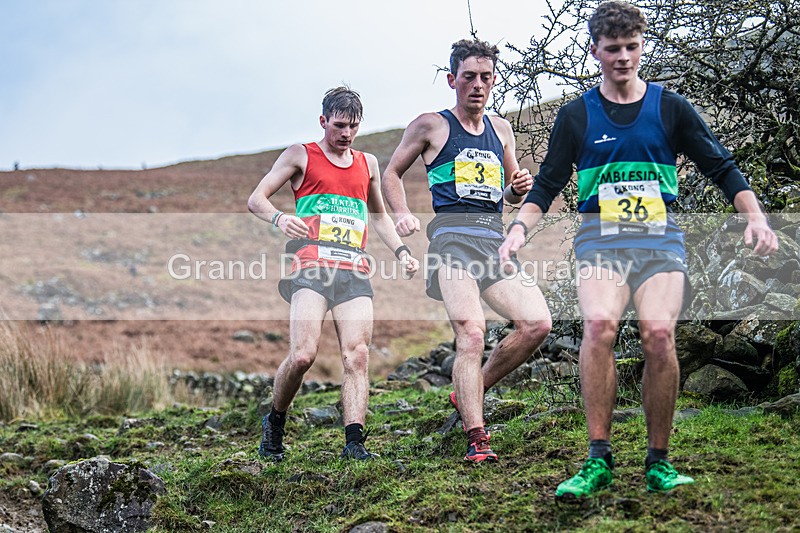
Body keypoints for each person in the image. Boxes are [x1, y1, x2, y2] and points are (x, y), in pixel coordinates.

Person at [499, 1, 778, 498]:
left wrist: (754, 214)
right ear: (595, 51)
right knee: (600, 327)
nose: (624, 57)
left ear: (641, 45)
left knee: (658, 336)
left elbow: (720, 165)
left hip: (659, 243)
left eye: (632, 46)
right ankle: (598, 458)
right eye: (613, 49)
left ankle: (659, 461)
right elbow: (546, 185)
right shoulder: (576, 116)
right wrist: (520, 229)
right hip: (599, 246)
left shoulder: (669, 108)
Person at [382, 39, 553, 463]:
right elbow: (391, 173)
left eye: (486, 77)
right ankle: (478, 439)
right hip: (452, 241)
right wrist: (402, 214)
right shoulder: (430, 125)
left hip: (492, 239)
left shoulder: (502, 130)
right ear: (452, 79)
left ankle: (469, 389)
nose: (478, 85)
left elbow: (511, 193)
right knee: (472, 333)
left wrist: (518, 188)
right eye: (469, 77)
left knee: (537, 324)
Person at [248, 86, 419, 462]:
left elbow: (379, 217)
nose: (346, 134)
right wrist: (280, 218)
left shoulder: (367, 163)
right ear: (323, 121)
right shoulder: (301, 155)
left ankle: (354, 443)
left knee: (357, 356)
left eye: (353, 127)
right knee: (303, 355)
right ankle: (275, 423)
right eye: (339, 125)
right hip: (311, 267)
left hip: (353, 270)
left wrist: (403, 251)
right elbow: (256, 198)